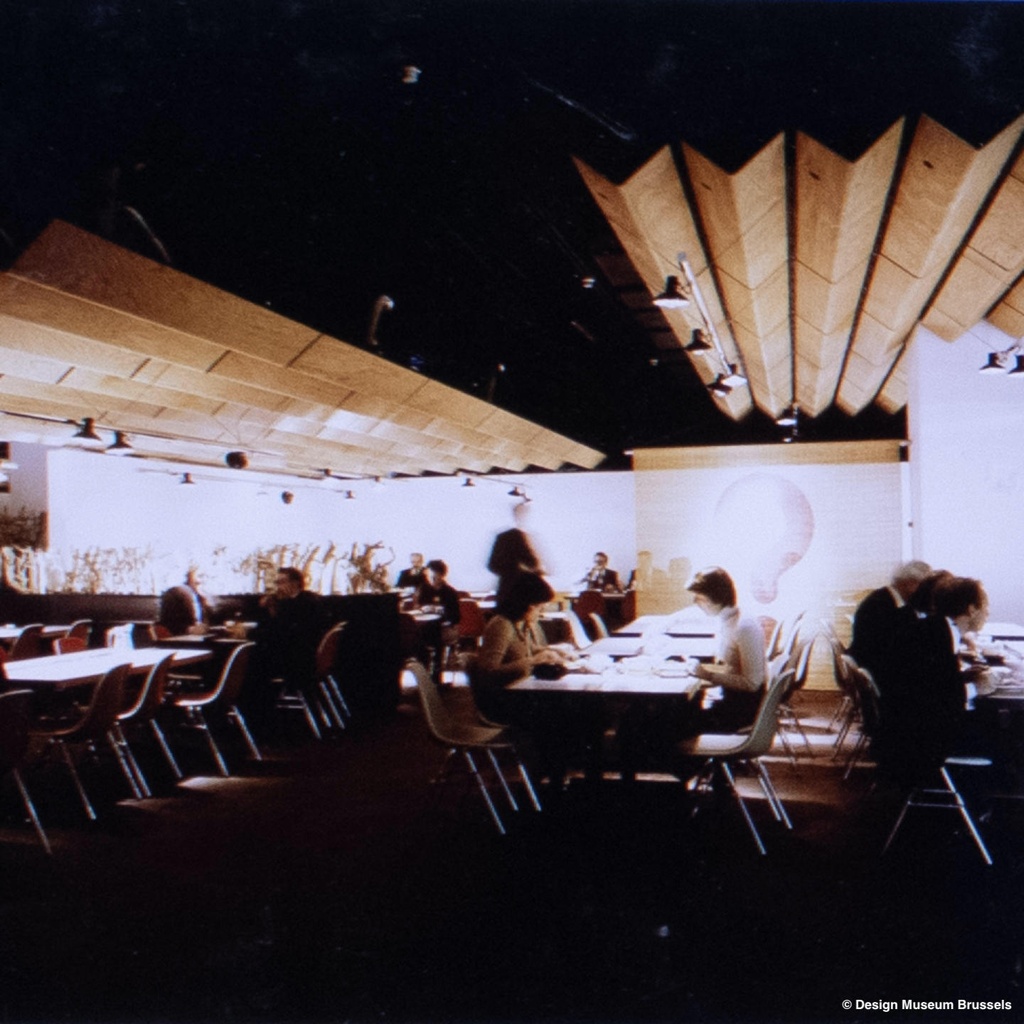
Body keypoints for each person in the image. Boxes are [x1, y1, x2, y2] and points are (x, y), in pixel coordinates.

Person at [876, 575, 987, 787]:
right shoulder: (936, 635)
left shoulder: (936, 629)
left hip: (908, 728)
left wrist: (964, 677)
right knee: (1002, 733)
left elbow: (934, 681)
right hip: (923, 738)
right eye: (985, 606)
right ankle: (983, 804)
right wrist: (976, 687)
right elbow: (938, 697)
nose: (988, 613)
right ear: (971, 609)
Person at [246, 567, 328, 736]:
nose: (277, 587)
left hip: (298, 663)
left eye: (281, 582)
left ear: (295, 583)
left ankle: (257, 726)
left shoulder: (301, 604)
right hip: (302, 658)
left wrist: (273, 610)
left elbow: (282, 633)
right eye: (276, 583)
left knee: (252, 671)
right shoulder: (305, 600)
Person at [685, 567, 767, 733]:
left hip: (739, 713)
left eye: (699, 598)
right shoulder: (728, 618)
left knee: (665, 720)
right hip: (729, 701)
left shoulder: (744, 627)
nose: (695, 603)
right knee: (675, 711)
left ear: (716, 598)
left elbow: (752, 684)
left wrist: (708, 675)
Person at [847, 560, 931, 692]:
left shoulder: (888, 599)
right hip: (882, 677)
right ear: (909, 583)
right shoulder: (881, 606)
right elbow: (898, 650)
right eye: (924, 587)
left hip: (878, 666)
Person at [486, 501, 544, 605]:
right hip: (523, 594)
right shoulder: (525, 538)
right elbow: (535, 564)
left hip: (506, 591)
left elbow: (492, 565)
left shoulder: (503, 537)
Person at [414, 559, 462, 678]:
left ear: (442, 575)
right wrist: (424, 608)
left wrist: (440, 611)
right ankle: (423, 675)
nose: (432, 579)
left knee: (434, 634)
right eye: (429, 575)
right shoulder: (424, 589)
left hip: (443, 628)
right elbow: (418, 607)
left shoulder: (450, 592)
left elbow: (455, 616)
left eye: (435, 575)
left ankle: (436, 676)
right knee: (419, 639)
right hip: (425, 626)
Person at [158, 567, 211, 636]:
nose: (201, 581)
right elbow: (172, 625)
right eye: (199, 577)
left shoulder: (198, 598)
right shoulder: (182, 594)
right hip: (180, 637)